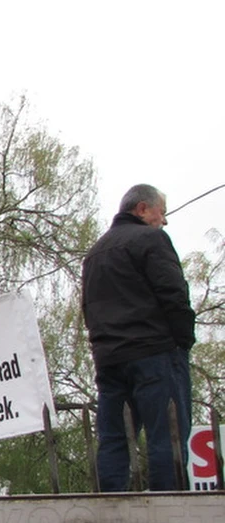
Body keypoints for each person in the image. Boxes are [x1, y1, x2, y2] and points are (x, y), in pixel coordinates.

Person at [81, 184, 195, 491]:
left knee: (114, 438)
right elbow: (173, 294)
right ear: (142, 209)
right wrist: (183, 341)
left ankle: (111, 505)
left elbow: (87, 309)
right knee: (166, 435)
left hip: (110, 359)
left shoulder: (94, 254)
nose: (165, 220)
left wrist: (102, 348)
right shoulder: (151, 239)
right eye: (162, 212)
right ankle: (167, 506)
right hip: (155, 353)